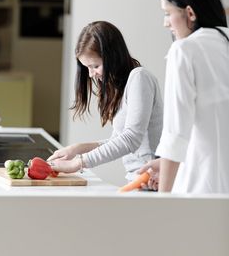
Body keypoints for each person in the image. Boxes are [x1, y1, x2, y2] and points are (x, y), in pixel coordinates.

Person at [140, 0, 229, 194]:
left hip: (201, 191)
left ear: (190, 13)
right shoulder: (224, 42)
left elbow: (175, 133)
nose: (165, 23)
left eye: (168, 13)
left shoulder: (184, 51)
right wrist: (169, 165)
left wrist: (164, 200)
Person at [48, 21, 163, 181]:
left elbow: (131, 139)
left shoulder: (140, 78)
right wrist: (77, 149)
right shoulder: (120, 87)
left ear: (113, 56)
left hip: (153, 180)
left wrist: (78, 163)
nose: (91, 74)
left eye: (95, 66)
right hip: (138, 180)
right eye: (87, 67)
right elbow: (118, 139)